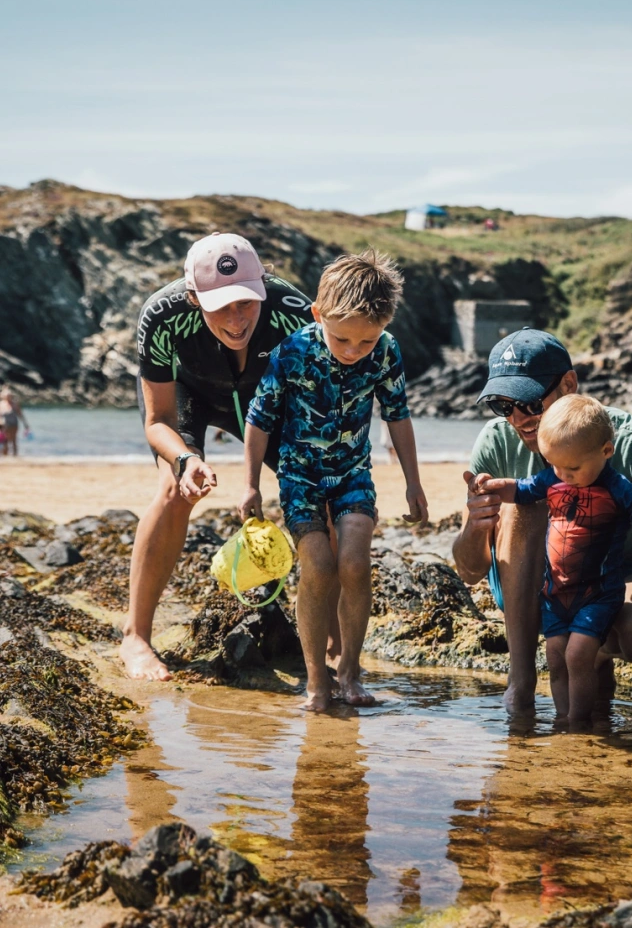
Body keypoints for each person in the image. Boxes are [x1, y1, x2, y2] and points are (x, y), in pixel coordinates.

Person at [452, 328, 632, 717]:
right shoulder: (496, 443)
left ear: (569, 384)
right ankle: (521, 681)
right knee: (523, 503)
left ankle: (590, 654)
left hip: (607, 576)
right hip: (528, 581)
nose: (518, 418)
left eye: (527, 402)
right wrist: (475, 527)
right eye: (502, 405)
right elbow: (469, 570)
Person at [240, 250, 429, 711]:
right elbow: (259, 419)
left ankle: (349, 670)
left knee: (355, 565)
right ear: (317, 314)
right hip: (300, 477)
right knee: (320, 568)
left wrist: (413, 482)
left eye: (365, 342)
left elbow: (398, 416)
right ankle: (316, 680)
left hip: (352, 474)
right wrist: (250, 484)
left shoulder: (385, 351)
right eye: (342, 339)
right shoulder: (292, 353)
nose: (352, 351)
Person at [125, 232, 312, 681]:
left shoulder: (296, 315)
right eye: (220, 306)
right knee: (174, 490)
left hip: (268, 401)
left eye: (246, 302)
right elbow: (158, 421)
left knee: (315, 492)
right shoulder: (162, 316)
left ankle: (326, 636)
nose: (235, 318)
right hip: (190, 394)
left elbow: (316, 408)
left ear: (263, 286)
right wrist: (186, 461)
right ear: (194, 298)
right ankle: (135, 637)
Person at [0, 386, 30, 457]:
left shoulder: (15, 404)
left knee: (13, 440)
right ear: (4, 396)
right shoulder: (1, 404)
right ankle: (5, 457)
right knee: (4, 441)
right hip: (4, 426)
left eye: (9, 396)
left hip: (14, 425)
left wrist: (25, 424)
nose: (8, 397)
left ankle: (15, 456)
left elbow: (20, 415)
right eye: (7, 396)